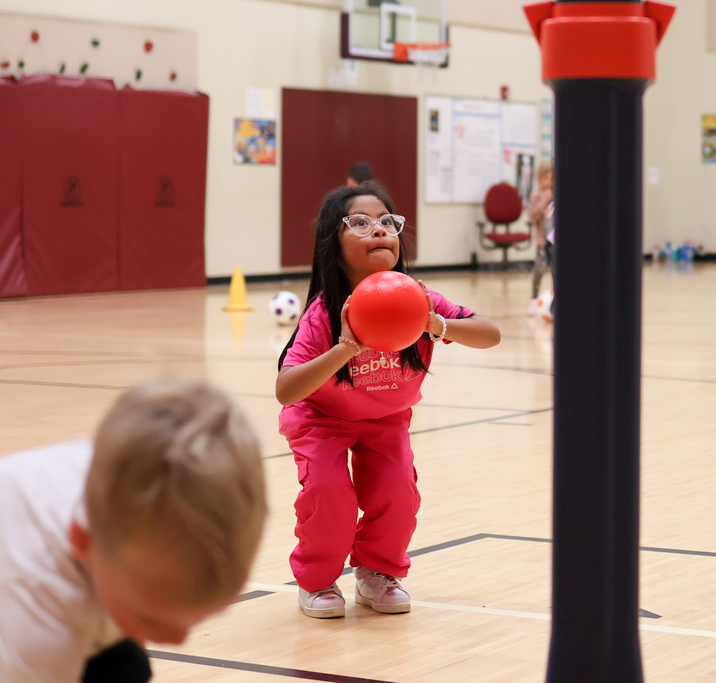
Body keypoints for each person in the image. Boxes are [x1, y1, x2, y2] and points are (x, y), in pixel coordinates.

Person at [275, 182, 501, 619]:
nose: (377, 230)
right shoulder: (325, 311)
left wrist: (436, 324)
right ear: (334, 247)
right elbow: (287, 389)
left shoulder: (421, 302)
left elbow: (489, 334)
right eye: (359, 223)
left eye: (386, 222)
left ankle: (376, 573)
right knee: (329, 492)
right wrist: (344, 349)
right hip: (321, 417)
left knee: (399, 493)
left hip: (385, 417)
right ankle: (318, 579)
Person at [0, 380, 268, 683]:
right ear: (83, 543)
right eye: (149, 618)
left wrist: (141, 618)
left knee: (128, 666)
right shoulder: (40, 621)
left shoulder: (134, 491)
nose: (175, 641)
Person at [527, 160, 554, 302]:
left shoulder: (554, 195)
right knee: (539, 269)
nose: (548, 182)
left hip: (553, 240)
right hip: (542, 240)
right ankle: (534, 297)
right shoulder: (536, 195)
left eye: (551, 178)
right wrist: (541, 203)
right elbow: (532, 217)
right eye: (545, 178)